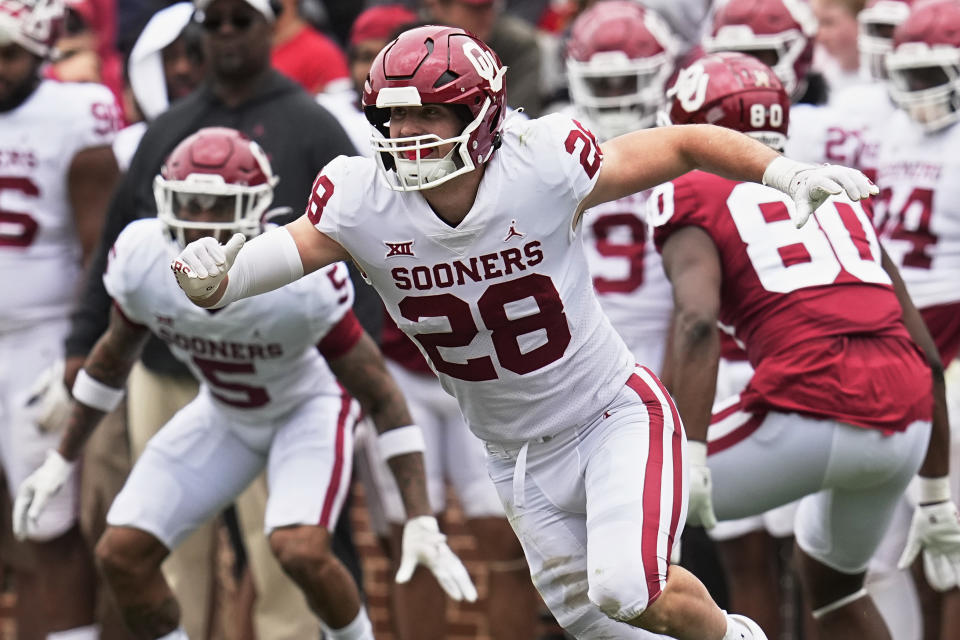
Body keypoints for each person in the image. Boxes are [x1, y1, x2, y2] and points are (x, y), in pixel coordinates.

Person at [168, 24, 884, 639]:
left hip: (608, 416)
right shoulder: (363, 200)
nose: (405, 135)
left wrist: (782, 173)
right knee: (597, 623)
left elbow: (685, 142)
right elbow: (281, 251)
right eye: (393, 118)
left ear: (478, 116)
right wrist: (218, 274)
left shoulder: (539, 166)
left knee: (627, 587)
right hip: (511, 452)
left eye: (427, 116)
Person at [14, 127, 476, 640]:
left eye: (218, 206)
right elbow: (111, 359)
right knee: (121, 554)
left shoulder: (296, 283)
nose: (201, 222)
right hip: (226, 413)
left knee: (298, 549)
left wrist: (419, 516)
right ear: (165, 199)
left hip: (308, 408)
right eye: (190, 202)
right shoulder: (143, 260)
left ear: (257, 211)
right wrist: (61, 458)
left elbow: (381, 397)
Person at [63, 0, 376, 636]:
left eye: (241, 19)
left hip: (285, 371)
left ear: (272, 25)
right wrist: (81, 338)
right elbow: (119, 245)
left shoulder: (312, 126)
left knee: (287, 557)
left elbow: (362, 243)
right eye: (215, 23)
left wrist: (353, 365)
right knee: (165, 545)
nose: (227, 34)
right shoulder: (169, 127)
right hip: (170, 358)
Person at [652, 50, 960, 639]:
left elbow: (696, 321)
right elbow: (923, 352)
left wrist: (687, 454)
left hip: (809, 406)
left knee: (602, 528)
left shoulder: (691, 189)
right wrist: (937, 492)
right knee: (833, 588)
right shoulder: (836, 193)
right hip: (904, 424)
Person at [0, 0, 121, 638]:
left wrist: (75, 348)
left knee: (49, 521)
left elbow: (99, 245)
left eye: (9, 54)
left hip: (38, 340)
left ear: (41, 52)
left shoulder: (74, 115)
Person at [874, 1, 960, 636]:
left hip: (951, 346)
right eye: (917, 74)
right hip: (891, 339)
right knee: (889, 550)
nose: (925, 92)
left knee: (950, 539)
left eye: (939, 74)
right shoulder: (890, 131)